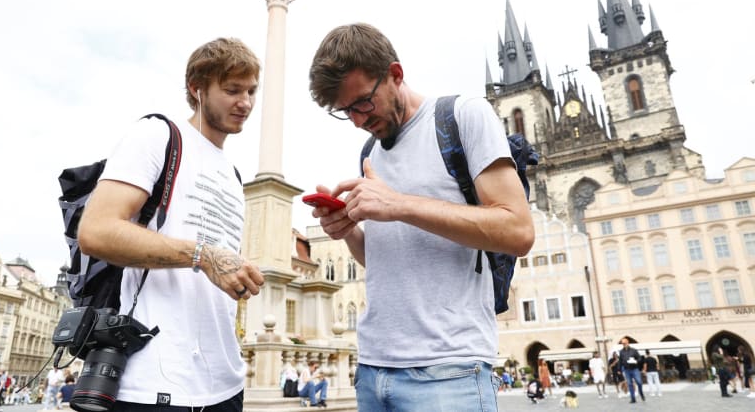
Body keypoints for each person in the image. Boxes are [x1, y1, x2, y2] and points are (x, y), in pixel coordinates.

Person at [307, 23, 534, 412]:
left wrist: (400, 204)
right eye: (346, 112)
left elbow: (517, 229)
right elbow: (384, 261)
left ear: (395, 74)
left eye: (363, 102)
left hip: (449, 370)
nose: (359, 120)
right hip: (374, 369)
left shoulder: (462, 116)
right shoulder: (371, 151)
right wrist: (347, 232)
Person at [77, 37, 266, 412]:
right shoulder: (157, 135)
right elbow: (95, 231)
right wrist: (203, 255)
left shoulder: (232, 174)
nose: (245, 102)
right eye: (232, 90)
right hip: (152, 383)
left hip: (224, 386)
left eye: (251, 91)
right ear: (197, 89)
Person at [618, 338, 645, 403]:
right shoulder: (621, 352)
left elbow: (639, 358)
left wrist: (636, 361)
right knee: (630, 384)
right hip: (627, 370)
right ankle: (633, 399)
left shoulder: (634, 350)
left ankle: (641, 393)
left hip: (634, 369)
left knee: (639, 382)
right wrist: (619, 369)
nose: (623, 344)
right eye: (622, 343)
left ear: (628, 343)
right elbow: (620, 361)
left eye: (624, 343)